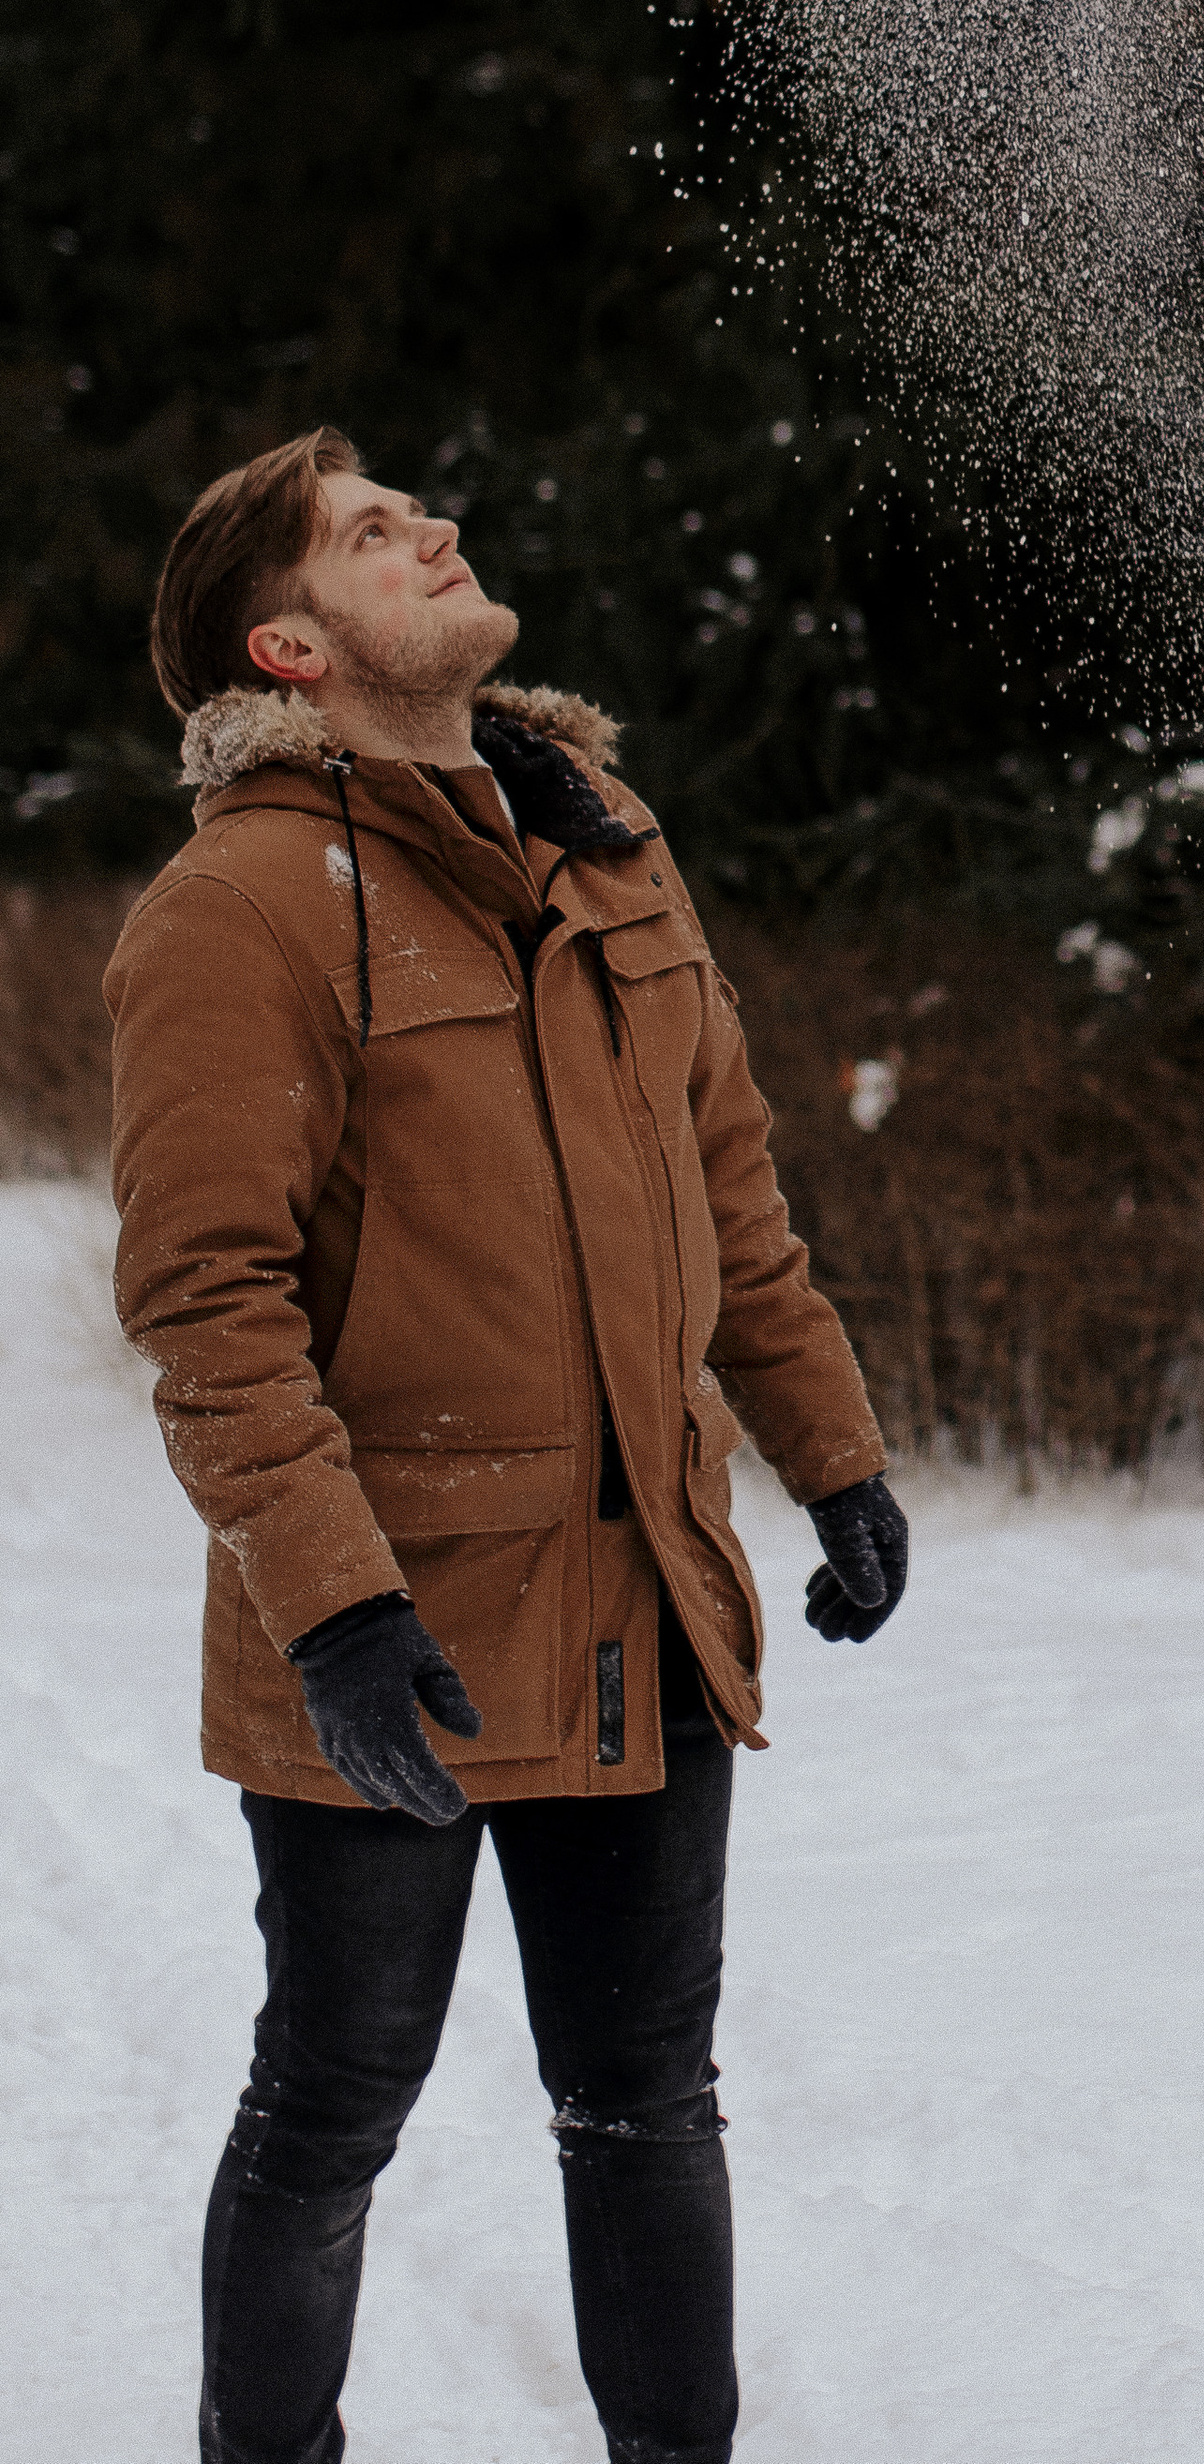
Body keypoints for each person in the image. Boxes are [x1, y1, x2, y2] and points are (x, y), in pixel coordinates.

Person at [108, 428, 909, 2464]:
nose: (434, 526)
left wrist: (832, 1454)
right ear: (288, 647)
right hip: (405, 1627)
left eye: (416, 506)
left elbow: (727, 1185)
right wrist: (333, 1613)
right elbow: (210, 1303)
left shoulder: (605, 845)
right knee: (330, 2105)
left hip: (640, 1579)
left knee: (649, 2102)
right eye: (372, 535)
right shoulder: (242, 908)